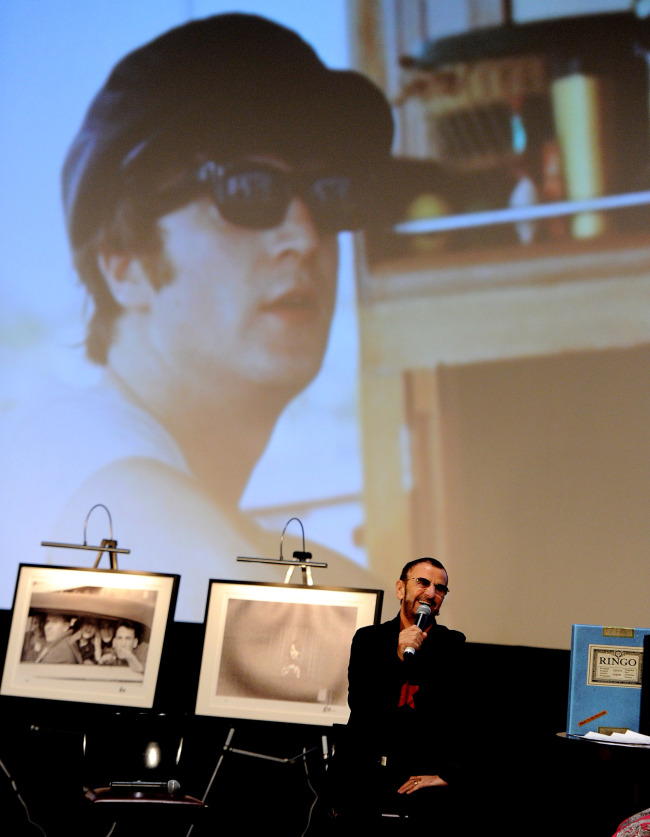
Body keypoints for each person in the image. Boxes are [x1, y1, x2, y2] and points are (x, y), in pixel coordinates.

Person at [0, 12, 394, 621]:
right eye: (249, 189)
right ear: (124, 264)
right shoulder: (73, 469)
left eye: (325, 194)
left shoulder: (207, 528)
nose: (305, 234)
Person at [329, 557, 467, 833]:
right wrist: (397, 657)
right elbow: (363, 707)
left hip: (419, 782)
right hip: (365, 775)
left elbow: (461, 717)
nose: (431, 593)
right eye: (423, 582)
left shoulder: (452, 645)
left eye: (440, 588)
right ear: (400, 588)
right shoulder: (370, 639)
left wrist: (447, 774)